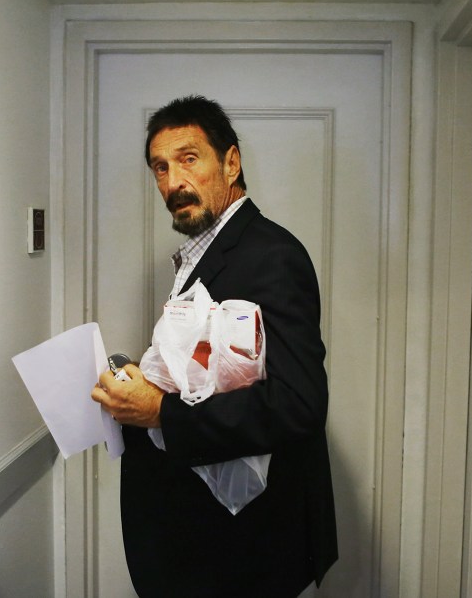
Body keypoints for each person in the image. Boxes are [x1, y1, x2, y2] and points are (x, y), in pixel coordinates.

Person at [91, 95, 337, 597]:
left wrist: (161, 411)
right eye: (160, 167)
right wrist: (147, 377)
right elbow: (214, 365)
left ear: (231, 162)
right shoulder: (203, 250)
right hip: (206, 543)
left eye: (188, 159)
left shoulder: (271, 255)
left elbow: (299, 405)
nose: (173, 182)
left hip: (245, 550)